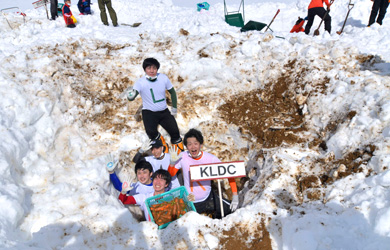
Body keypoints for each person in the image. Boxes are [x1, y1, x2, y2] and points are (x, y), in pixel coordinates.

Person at [168, 128, 239, 219]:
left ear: (201, 144)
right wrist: (172, 163)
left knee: (233, 211)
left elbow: (228, 172)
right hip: (190, 201)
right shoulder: (183, 156)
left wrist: (235, 195)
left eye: (195, 143)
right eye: (189, 144)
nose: (193, 147)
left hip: (208, 198)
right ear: (186, 146)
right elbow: (171, 174)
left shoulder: (210, 158)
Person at [127, 58, 184, 155]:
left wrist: (174, 107)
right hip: (149, 112)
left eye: (154, 68)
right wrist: (130, 96)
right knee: (151, 133)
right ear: (145, 69)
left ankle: (179, 155)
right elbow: (133, 95)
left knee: (175, 132)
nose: (152, 70)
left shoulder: (163, 78)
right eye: (149, 68)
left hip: (163, 111)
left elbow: (172, 92)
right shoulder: (140, 82)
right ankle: (163, 150)